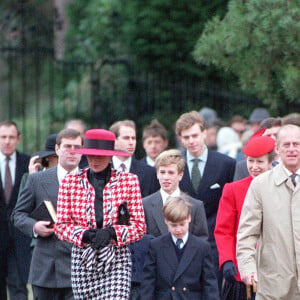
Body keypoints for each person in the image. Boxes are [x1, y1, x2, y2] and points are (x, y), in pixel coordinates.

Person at [54, 129, 146, 299]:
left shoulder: (128, 181)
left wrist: (112, 232)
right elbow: (61, 227)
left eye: (100, 156)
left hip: (116, 259)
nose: (94, 160)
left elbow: (139, 226)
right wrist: (84, 235)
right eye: (90, 155)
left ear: (110, 156)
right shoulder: (70, 182)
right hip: (83, 260)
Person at [13, 129, 83, 300]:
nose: (72, 151)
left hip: (80, 269)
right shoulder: (37, 180)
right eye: (68, 146)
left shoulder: (90, 180)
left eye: (77, 147)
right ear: (58, 150)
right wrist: (35, 227)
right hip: (45, 269)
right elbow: (18, 214)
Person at [236, 124, 300, 299]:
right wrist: (248, 269)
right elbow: (246, 235)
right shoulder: (260, 185)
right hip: (273, 287)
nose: (292, 149)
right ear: (277, 149)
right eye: (286, 145)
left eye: (297, 144)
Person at [175, 111, 236, 293]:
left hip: (214, 244)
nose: (192, 141)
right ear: (180, 139)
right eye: (186, 137)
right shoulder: (173, 164)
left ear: (205, 133)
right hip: (181, 243)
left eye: (195, 135)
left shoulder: (226, 164)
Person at [214, 132, 275, 299]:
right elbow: (223, 230)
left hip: (274, 271)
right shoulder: (233, 189)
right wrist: (227, 260)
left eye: (260, 162)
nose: (254, 166)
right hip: (241, 272)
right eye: (250, 161)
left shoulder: (280, 187)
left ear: (270, 163)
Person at [141, 195, 219, 300]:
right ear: (166, 221)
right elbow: (148, 284)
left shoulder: (202, 247)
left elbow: (209, 285)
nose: (178, 230)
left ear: (189, 218)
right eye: (173, 225)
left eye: (182, 224)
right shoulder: (156, 246)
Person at [143, 149, 208, 239]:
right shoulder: (145, 205)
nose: (166, 177)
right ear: (157, 174)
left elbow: (201, 242)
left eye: (171, 173)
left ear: (180, 175)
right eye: (162, 172)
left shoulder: (195, 206)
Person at [0, 120, 30, 300]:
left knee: (19, 287)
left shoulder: (28, 163)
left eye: (11, 137)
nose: (7, 141)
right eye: (3, 137)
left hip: (19, 238)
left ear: (18, 139)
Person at [109, 120, 160, 197]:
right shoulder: (102, 169)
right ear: (114, 141)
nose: (131, 142)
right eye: (126, 138)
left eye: (133, 138)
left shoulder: (149, 173)